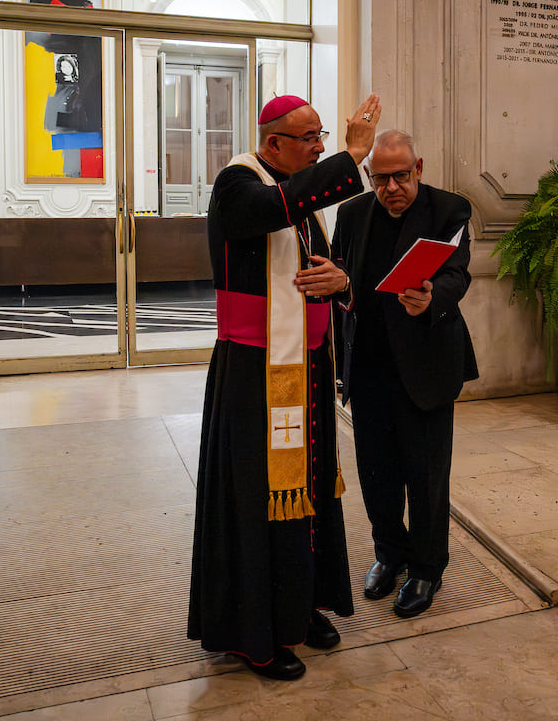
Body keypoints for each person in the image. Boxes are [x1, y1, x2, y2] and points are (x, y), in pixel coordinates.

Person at [187, 92, 381, 681]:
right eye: (311, 137)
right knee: (260, 497)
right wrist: (352, 155)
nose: (321, 147)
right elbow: (276, 207)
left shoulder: (300, 200)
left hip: (309, 369)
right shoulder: (238, 185)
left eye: (325, 136)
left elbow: (325, 276)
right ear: (274, 143)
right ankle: (257, 632)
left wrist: (339, 280)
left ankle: (301, 608)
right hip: (253, 375)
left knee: (312, 489)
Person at [330, 129, 479, 619]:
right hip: (370, 366)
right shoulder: (352, 214)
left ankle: (426, 568)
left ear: (419, 168)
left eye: (400, 176)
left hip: (426, 365)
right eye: (380, 178)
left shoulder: (449, 210)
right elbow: (337, 275)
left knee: (427, 474)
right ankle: (388, 554)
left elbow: (458, 273)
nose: (391, 187)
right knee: (376, 473)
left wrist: (433, 295)